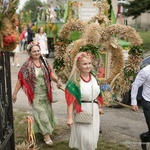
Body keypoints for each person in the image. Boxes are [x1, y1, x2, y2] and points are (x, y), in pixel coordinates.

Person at [12, 41, 62, 146]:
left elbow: (50, 73)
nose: (36, 53)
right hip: (35, 96)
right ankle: (46, 136)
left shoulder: (44, 60)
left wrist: (57, 81)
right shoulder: (27, 65)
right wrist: (15, 93)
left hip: (46, 94)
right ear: (29, 53)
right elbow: (20, 80)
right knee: (41, 115)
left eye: (38, 50)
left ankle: (45, 130)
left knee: (47, 114)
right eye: (34, 51)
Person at [65, 52, 104, 150]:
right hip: (81, 111)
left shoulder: (94, 77)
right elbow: (70, 102)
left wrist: (99, 107)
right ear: (78, 65)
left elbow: (98, 94)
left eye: (89, 63)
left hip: (93, 111)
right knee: (85, 139)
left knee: (93, 139)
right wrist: (69, 118)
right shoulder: (74, 81)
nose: (88, 66)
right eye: (85, 64)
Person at [131, 64, 150, 150]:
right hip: (148, 102)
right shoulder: (146, 71)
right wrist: (133, 102)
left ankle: (145, 136)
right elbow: (136, 85)